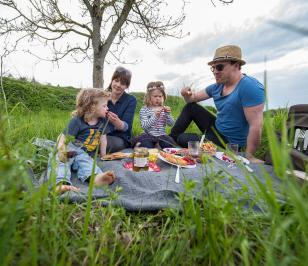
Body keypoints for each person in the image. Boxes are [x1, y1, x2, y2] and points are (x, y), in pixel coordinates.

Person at [170, 45, 265, 163]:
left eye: (219, 67)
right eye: (213, 68)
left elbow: (256, 126)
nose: (215, 71)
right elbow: (192, 98)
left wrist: (249, 156)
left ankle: (182, 143)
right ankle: (169, 140)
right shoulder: (217, 86)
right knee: (191, 107)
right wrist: (186, 94)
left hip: (228, 141)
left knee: (183, 138)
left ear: (236, 65)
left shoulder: (250, 87)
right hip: (216, 126)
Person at [48, 88, 116, 194]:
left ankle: (96, 178)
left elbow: (103, 139)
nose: (107, 108)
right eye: (104, 106)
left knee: (87, 162)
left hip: (83, 154)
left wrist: (103, 155)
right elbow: (62, 138)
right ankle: (60, 184)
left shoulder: (103, 122)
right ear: (92, 107)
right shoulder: (77, 121)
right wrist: (62, 151)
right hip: (70, 148)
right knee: (60, 162)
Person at [133, 81, 177, 148]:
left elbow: (171, 124)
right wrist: (155, 116)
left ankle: (158, 144)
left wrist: (168, 114)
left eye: (160, 96)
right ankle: (152, 145)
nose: (158, 98)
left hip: (162, 135)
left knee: (169, 145)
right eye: (155, 96)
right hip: (149, 135)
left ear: (163, 97)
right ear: (149, 97)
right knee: (145, 145)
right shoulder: (144, 109)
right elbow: (144, 126)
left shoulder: (164, 109)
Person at [105, 66, 137, 153]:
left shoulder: (131, 100)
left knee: (100, 144)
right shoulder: (102, 96)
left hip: (120, 137)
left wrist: (117, 122)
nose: (118, 85)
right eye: (116, 81)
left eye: (122, 83)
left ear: (126, 86)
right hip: (100, 134)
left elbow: (126, 127)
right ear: (112, 80)